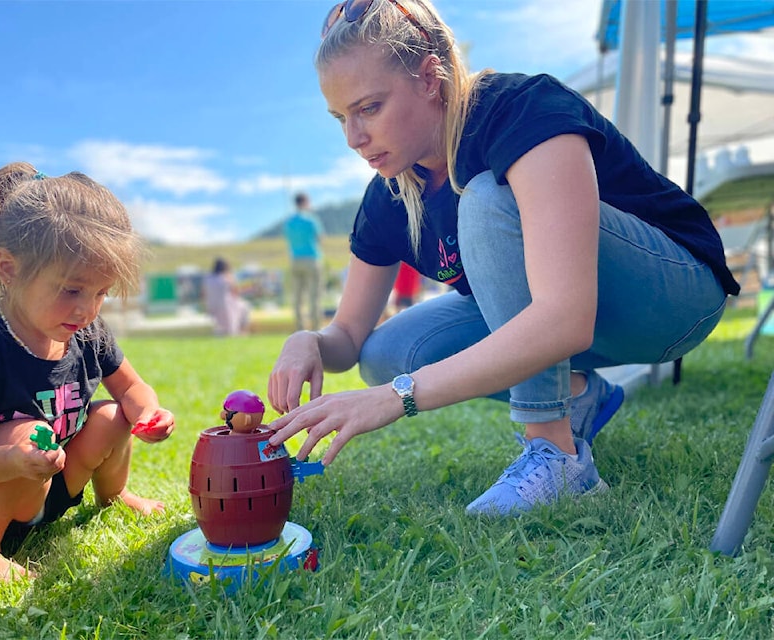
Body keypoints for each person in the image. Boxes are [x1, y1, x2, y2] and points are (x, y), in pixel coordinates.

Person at [266, 0, 739, 517]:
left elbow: (565, 319)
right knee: (388, 351)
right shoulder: (390, 194)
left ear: (429, 78)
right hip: (580, 317)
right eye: (341, 117)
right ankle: (577, 395)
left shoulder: (518, 108)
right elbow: (350, 339)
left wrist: (397, 398)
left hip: (674, 298)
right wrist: (307, 341)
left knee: (489, 199)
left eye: (369, 108)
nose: (354, 139)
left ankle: (557, 453)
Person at [0, 162, 175, 586]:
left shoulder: (86, 332)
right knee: (25, 431)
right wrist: (10, 461)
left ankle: (115, 495)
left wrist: (148, 412)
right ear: (9, 269)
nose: (86, 309)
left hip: (49, 485)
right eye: (71, 289)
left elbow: (133, 389)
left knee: (111, 415)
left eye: (100, 293)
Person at [284, 192, 325, 331]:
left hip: (295, 260)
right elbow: (320, 239)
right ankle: (316, 328)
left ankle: (299, 329)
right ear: (305, 202)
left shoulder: (289, 222)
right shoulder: (311, 220)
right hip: (312, 259)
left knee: (298, 297)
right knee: (314, 296)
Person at [203, 257, 251, 336]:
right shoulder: (227, 277)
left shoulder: (208, 278)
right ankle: (243, 331)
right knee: (245, 306)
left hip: (211, 306)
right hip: (226, 307)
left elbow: (204, 294)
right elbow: (236, 292)